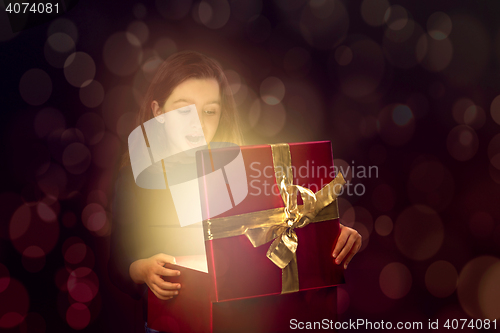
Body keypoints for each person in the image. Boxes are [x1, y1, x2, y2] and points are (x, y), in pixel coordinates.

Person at [108, 51, 362, 333]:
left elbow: (278, 228)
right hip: (172, 322)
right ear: (158, 113)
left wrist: (329, 234)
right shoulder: (136, 180)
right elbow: (118, 262)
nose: (197, 123)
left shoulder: (245, 169)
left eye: (209, 111)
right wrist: (142, 269)